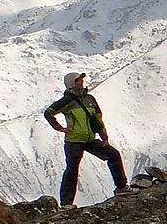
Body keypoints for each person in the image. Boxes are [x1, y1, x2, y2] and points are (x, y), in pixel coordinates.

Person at [44, 72, 136, 209]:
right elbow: (48, 113)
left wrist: (104, 136)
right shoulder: (67, 100)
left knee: (113, 155)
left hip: (89, 138)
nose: (82, 82)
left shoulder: (89, 98)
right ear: (72, 83)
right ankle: (66, 203)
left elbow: (97, 119)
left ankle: (122, 187)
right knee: (72, 170)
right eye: (79, 80)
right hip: (74, 140)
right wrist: (59, 127)